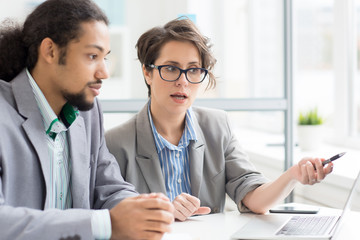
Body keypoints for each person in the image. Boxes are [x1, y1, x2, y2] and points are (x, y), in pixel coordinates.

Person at [105, 17, 334, 222]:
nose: (183, 81)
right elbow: (112, 212)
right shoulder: (116, 143)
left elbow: (252, 195)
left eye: (193, 70)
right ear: (147, 72)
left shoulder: (217, 126)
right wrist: (161, 212)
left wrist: (293, 175)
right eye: (171, 69)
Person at [0, 0, 174, 239]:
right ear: (50, 51)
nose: (104, 73)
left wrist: (143, 210)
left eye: (105, 58)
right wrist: (106, 224)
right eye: (92, 56)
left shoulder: (87, 111)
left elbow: (108, 186)